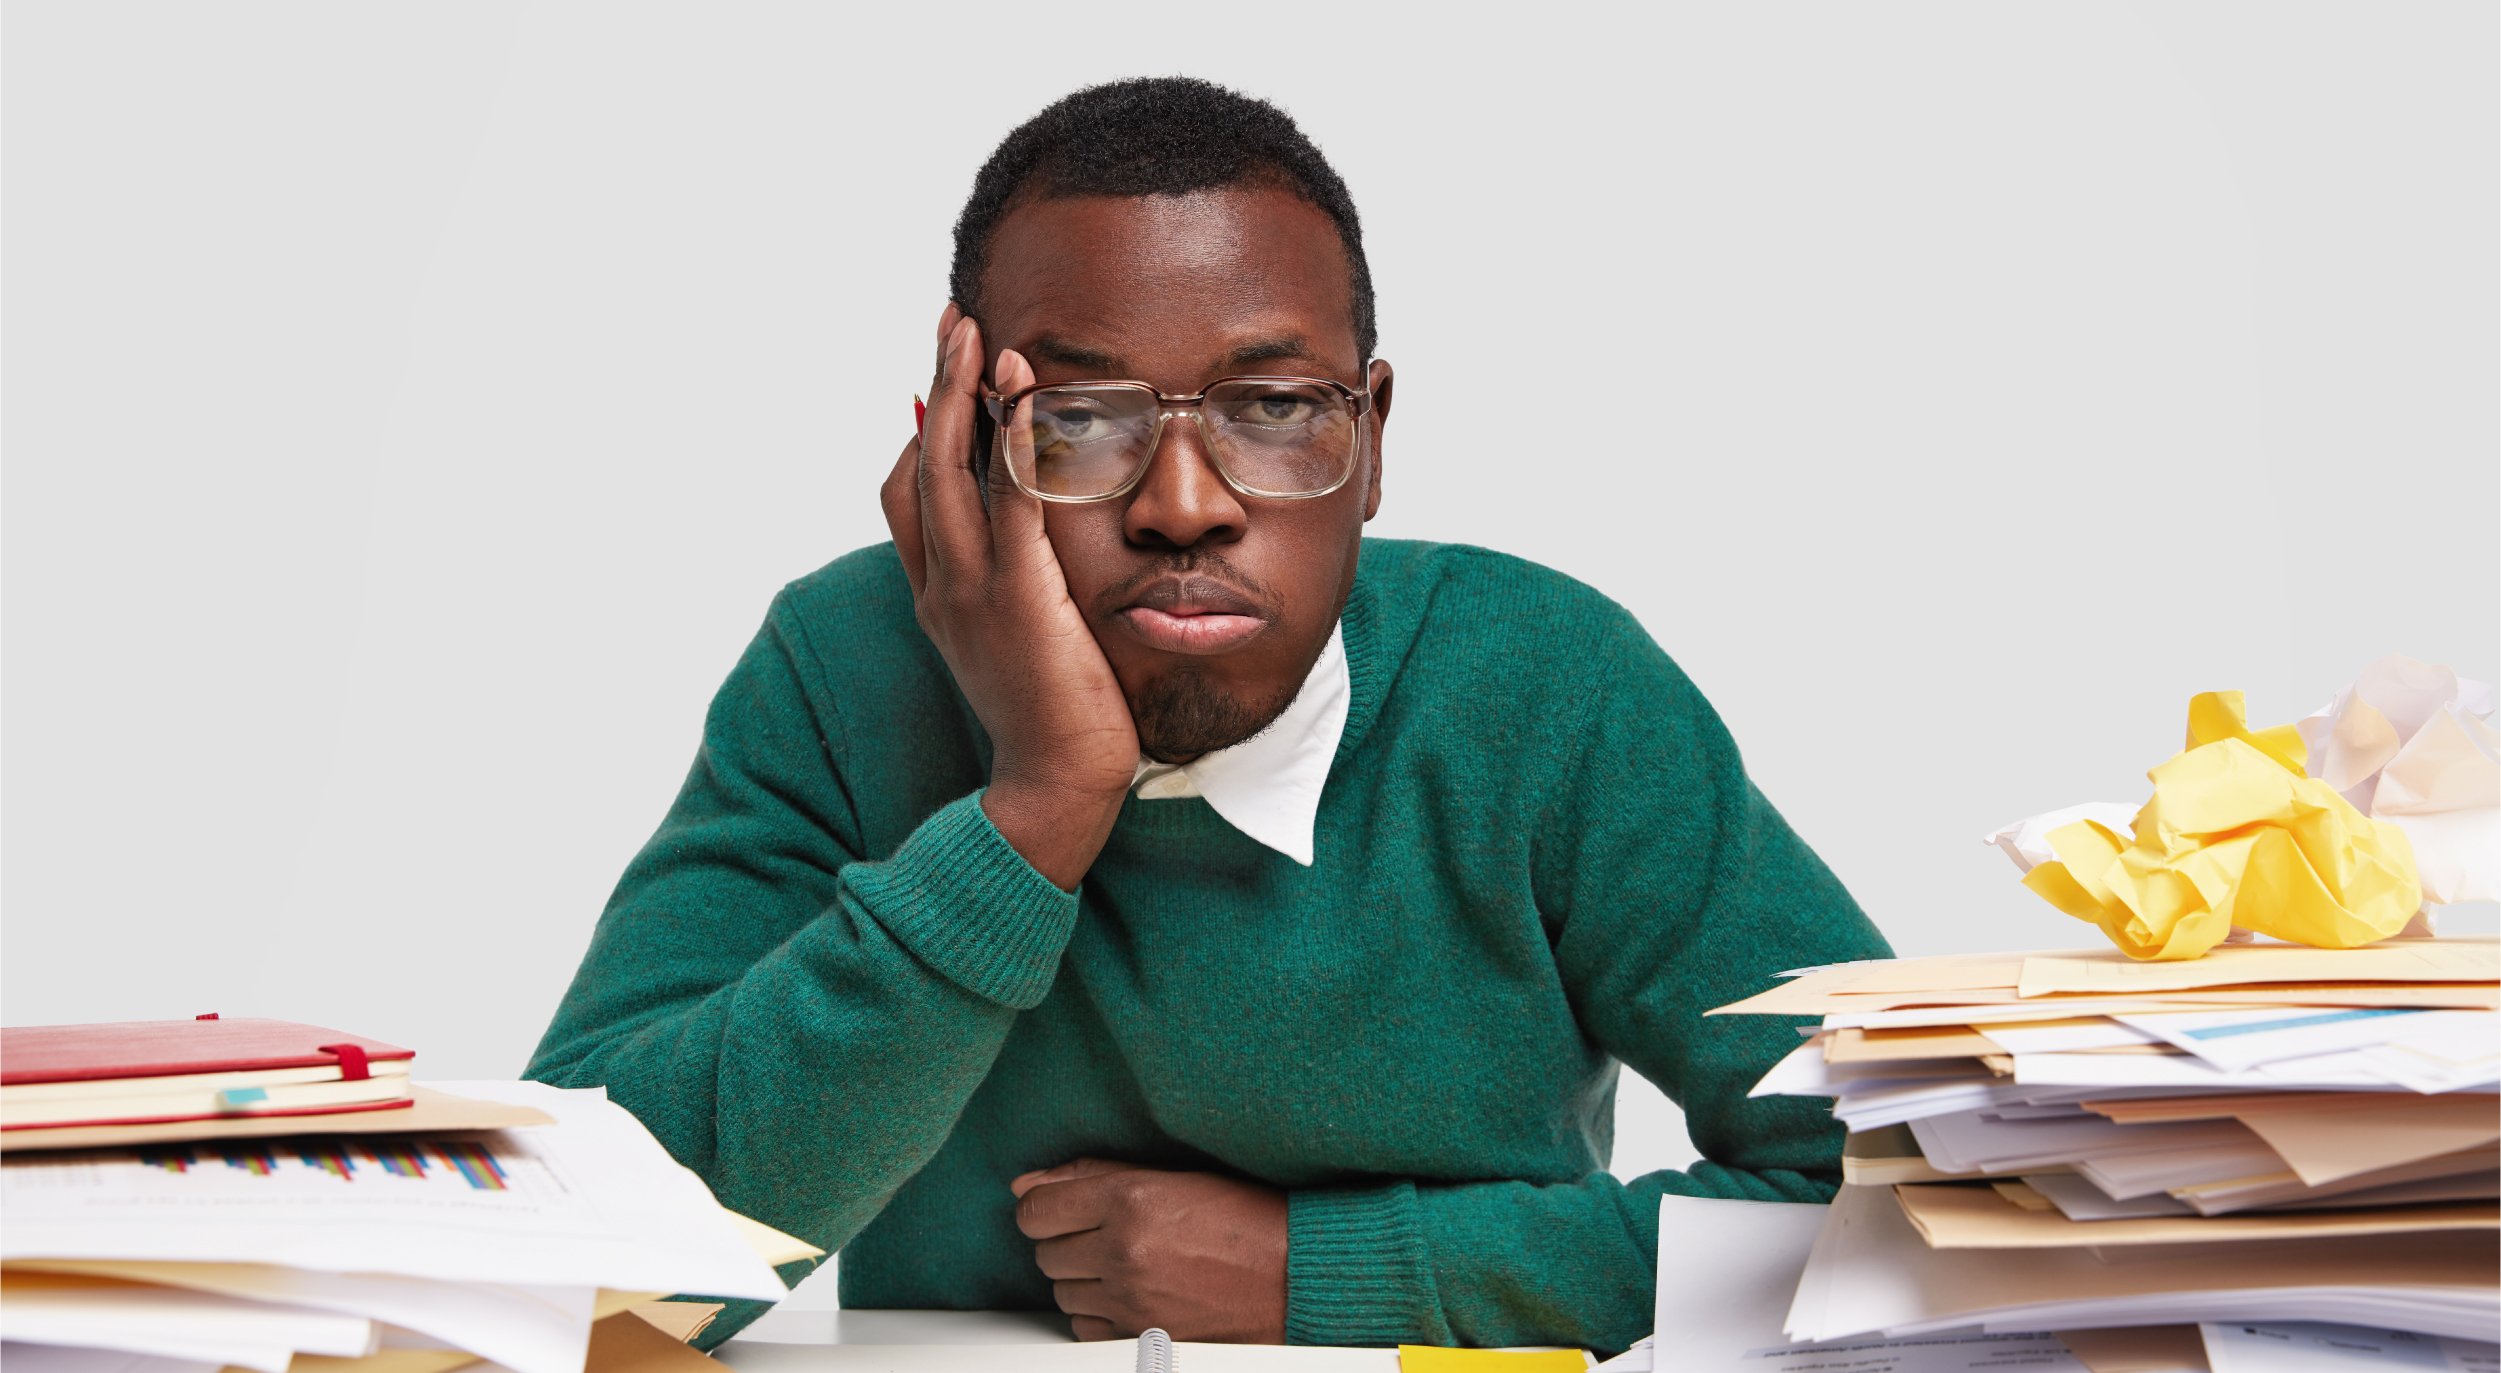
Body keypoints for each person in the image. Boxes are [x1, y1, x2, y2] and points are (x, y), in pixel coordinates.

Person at [525, 75, 1891, 1354]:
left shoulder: (1547, 687)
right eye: (1076, 416)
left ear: (1372, 443)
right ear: (961, 448)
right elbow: (566, 1277)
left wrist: (1326, 1270)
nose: (1183, 502)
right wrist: (1036, 808)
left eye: (1278, 407)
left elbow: (1903, 1204)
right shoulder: (842, 669)